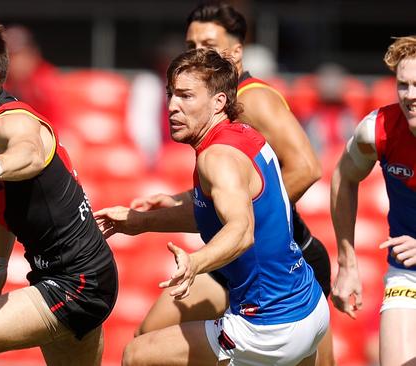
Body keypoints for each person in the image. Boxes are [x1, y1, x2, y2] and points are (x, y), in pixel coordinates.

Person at [127, 2, 336, 365]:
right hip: (262, 269)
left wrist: (250, 217)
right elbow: (233, 187)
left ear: (235, 52)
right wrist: (176, 206)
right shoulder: (227, 129)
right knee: (150, 337)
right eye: (189, 46)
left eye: (207, 47)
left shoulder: (252, 100)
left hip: (281, 260)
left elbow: (306, 169)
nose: (196, 55)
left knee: (140, 353)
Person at [0, 20, 118, 366]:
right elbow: (2, 203)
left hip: (78, 281)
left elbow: (30, 153)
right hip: (66, 274)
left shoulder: (10, 121)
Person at [330, 35, 416, 366]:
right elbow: (343, 177)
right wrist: (347, 262)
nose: (411, 96)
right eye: (403, 85)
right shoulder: (377, 130)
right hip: (407, 275)